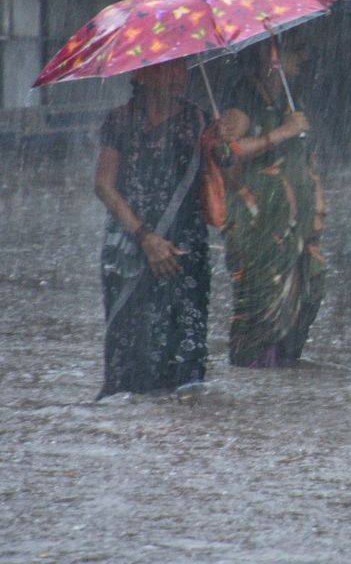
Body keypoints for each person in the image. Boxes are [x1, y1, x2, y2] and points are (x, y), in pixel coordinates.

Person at [93, 60, 214, 398]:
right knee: (129, 347)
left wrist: (226, 150)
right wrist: (145, 237)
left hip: (183, 253)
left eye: (182, 68)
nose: (177, 77)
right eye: (166, 69)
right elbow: (103, 185)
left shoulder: (201, 121)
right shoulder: (120, 120)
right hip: (129, 251)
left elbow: (222, 189)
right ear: (140, 74)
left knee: (183, 356)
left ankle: (178, 439)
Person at [219, 38, 326, 367]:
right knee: (262, 312)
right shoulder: (243, 98)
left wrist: (318, 206)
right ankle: (257, 377)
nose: (303, 55)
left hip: (297, 228)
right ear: (271, 54)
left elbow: (307, 158)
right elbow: (230, 151)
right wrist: (282, 132)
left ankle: (285, 376)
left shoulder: (293, 100)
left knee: (310, 289)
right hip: (260, 230)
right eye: (295, 48)